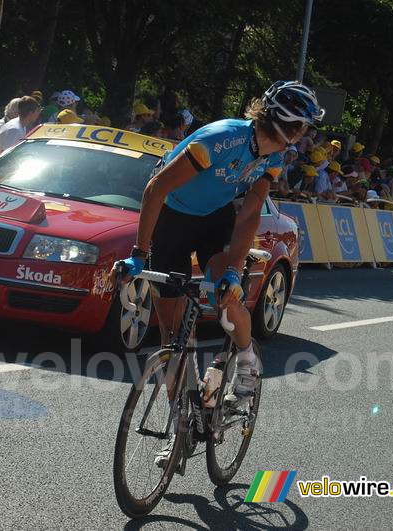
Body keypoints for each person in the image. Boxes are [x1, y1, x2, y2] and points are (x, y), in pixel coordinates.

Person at [118, 81, 324, 458]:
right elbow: (155, 189)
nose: (304, 136)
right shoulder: (220, 139)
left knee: (227, 296)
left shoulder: (273, 157)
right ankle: (180, 427)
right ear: (290, 126)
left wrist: (231, 269)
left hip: (215, 222)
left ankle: (246, 360)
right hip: (171, 221)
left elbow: (248, 214)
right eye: (304, 128)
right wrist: (139, 253)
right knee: (172, 338)